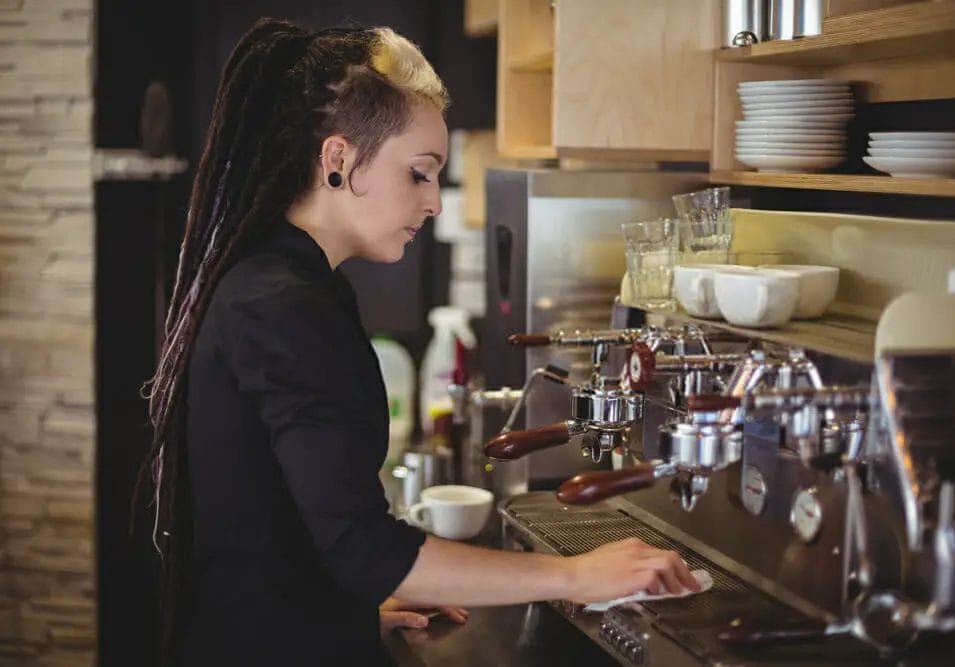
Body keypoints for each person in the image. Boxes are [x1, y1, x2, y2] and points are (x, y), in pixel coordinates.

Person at [136, 17, 700, 667]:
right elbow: (365, 546)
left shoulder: (296, 284)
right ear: (338, 160)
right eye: (420, 173)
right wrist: (575, 573)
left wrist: (335, 608)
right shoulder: (280, 303)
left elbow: (278, 521)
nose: (433, 201)